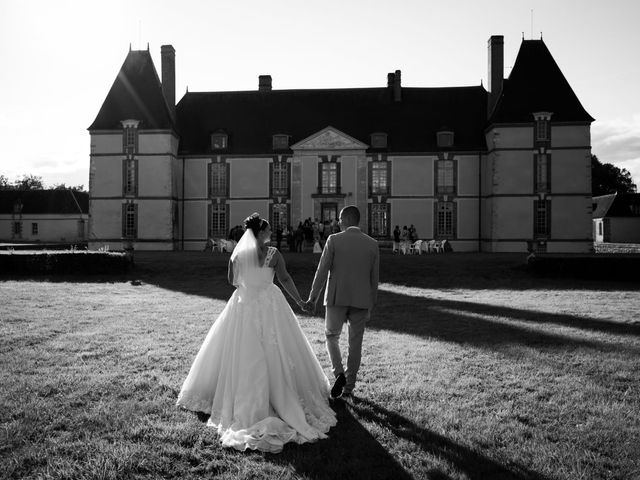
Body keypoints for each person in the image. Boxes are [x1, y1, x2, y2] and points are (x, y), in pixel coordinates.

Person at [177, 213, 337, 453]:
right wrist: (301, 302)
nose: (271, 234)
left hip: (244, 304)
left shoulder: (238, 255)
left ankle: (246, 400)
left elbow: (232, 281)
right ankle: (280, 398)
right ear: (261, 233)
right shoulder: (273, 254)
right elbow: (284, 278)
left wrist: (238, 267)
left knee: (242, 352)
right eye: (269, 230)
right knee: (278, 350)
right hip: (270, 304)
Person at [305, 206, 379, 399]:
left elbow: (322, 271)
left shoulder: (334, 240)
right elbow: (374, 279)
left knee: (331, 336)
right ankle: (349, 387)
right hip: (362, 300)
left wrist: (313, 297)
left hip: (337, 297)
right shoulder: (372, 244)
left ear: (345, 219)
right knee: (356, 344)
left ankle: (339, 373)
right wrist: (371, 305)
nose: (338, 222)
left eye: (339, 218)